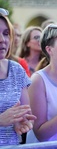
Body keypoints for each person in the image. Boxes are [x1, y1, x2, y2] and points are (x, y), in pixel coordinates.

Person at [0, 8, 36, 146]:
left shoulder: (16, 69)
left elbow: (27, 113)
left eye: (6, 33)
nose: (2, 40)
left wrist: (23, 123)